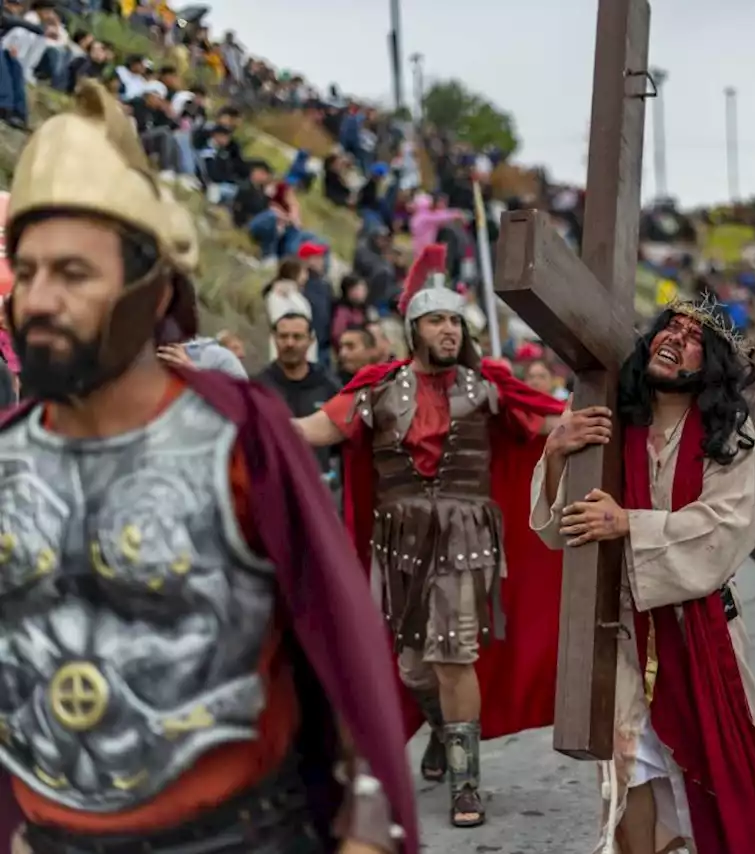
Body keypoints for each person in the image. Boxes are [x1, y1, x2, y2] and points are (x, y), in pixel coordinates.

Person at [0, 79, 415, 854]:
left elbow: (334, 648)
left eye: (72, 273)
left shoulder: (240, 438)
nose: (38, 299)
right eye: (26, 272)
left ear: (147, 287)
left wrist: (364, 824)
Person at [291, 243, 564, 829]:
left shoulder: (485, 388)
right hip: (398, 547)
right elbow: (312, 430)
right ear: (414, 328)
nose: (449, 329)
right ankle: (442, 731)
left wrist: (586, 423)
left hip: (466, 539)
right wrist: (227, 399)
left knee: (453, 657)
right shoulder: (378, 389)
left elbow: (545, 423)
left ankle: (467, 785)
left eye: (455, 320)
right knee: (414, 669)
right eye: (437, 319)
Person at [531, 298, 755, 854]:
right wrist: (554, 453)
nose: (674, 337)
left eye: (692, 336)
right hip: (623, 633)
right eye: (670, 326)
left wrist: (629, 524)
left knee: (717, 783)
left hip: (700, 633)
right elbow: (561, 529)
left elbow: (725, 528)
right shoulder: (611, 425)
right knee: (630, 773)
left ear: (710, 363)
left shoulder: (729, 439)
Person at [256, 313, 342, 475]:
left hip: (320, 486)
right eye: (283, 336)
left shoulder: (329, 385)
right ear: (273, 338)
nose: (289, 343)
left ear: (310, 340)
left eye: (297, 337)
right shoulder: (259, 388)